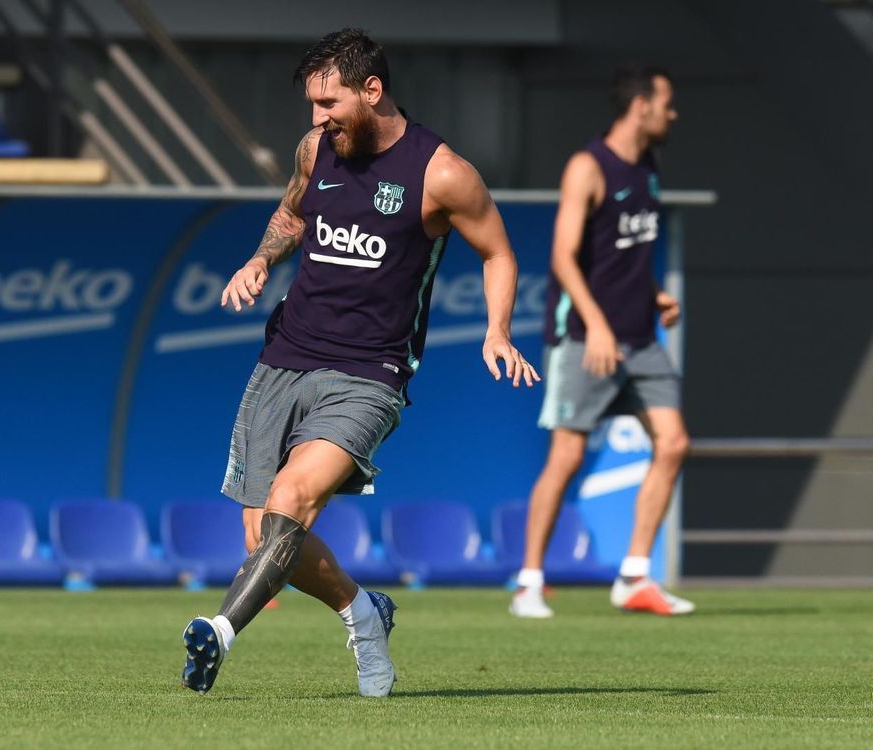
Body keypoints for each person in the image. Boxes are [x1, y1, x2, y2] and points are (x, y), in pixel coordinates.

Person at [180, 28, 540, 697]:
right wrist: (260, 259)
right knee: (263, 536)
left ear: (372, 90)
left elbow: (499, 251)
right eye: (312, 104)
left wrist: (497, 330)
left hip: (370, 373)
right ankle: (362, 611)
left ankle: (219, 632)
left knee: (292, 501)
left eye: (328, 102)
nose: (317, 118)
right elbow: (292, 214)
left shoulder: (442, 172)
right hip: (285, 357)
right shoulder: (317, 150)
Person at [509, 65, 693, 619]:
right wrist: (600, 326)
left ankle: (635, 577)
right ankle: (529, 585)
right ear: (641, 106)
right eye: (667, 103)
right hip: (585, 338)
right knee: (566, 455)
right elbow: (564, 257)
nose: (672, 113)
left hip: (640, 339)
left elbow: (623, 258)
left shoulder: (649, 167)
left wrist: (657, 293)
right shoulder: (588, 166)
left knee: (675, 443)